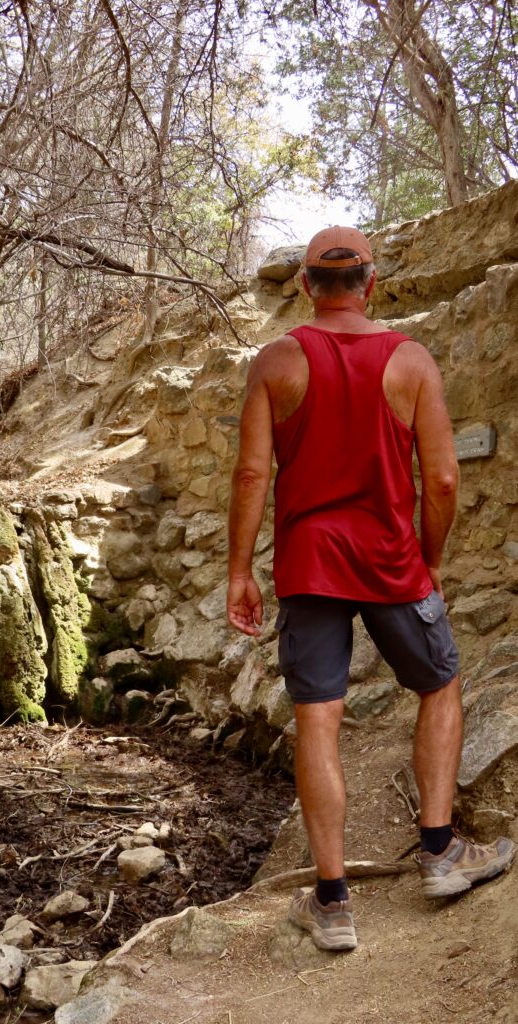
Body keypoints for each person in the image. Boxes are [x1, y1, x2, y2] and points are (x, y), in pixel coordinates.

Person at [226, 225, 515, 951]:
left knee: (318, 721)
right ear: (371, 283)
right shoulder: (410, 361)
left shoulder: (276, 361)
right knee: (439, 687)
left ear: (304, 288)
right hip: (391, 560)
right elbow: (442, 479)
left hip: (308, 563)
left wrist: (238, 571)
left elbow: (252, 475)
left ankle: (330, 903)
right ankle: (441, 852)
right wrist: (429, 560)